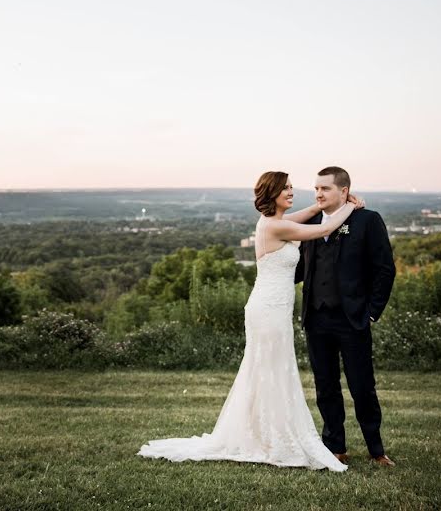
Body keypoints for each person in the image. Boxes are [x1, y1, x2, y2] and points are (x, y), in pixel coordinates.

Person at [137, 171, 362, 471]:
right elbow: (326, 227)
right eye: (285, 189)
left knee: (270, 371)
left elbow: (311, 213)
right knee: (271, 370)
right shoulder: (274, 226)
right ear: (272, 194)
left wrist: (333, 203)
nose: (292, 192)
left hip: (275, 309)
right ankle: (271, 439)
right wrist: (349, 205)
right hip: (267, 310)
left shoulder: (278, 221)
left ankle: (264, 435)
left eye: (292, 187)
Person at [294, 166, 396, 467]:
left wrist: (373, 313)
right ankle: (335, 447)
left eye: (324, 189)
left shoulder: (367, 220)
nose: (318, 194)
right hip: (316, 318)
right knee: (326, 387)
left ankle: (376, 450)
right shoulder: (310, 221)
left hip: (353, 319)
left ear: (344, 191)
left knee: (362, 386)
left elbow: (384, 269)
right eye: (315, 189)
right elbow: (301, 267)